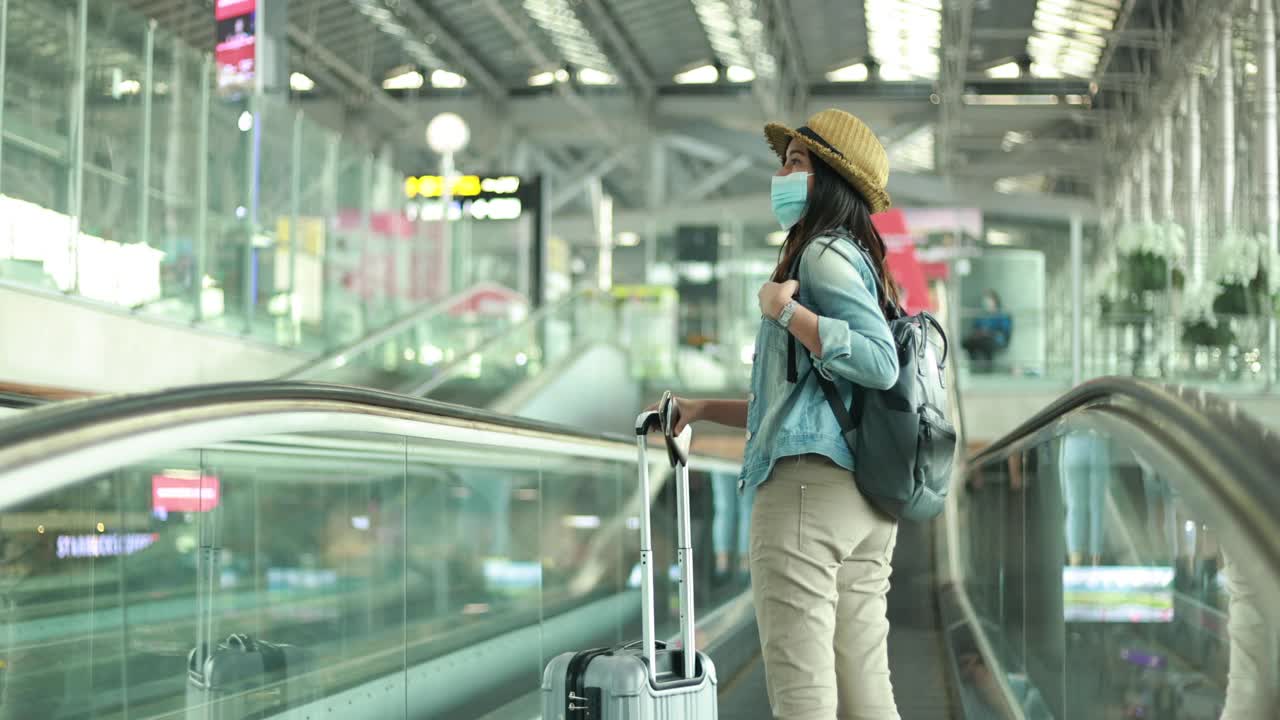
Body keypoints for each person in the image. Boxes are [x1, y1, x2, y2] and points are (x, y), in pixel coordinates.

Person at [653, 108, 902, 719]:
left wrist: (784, 313)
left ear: (830, 182)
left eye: (796, 162)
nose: (782, 174)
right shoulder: (860, 260)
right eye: (783, 161)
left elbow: (879, 362)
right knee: (868, 694)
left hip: (805, 501)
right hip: (863, 500)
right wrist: (704, 408)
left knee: (804, 699)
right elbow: (795, 406)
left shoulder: (818, 257)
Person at [961, 290, 1011, 373]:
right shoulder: (982, 315)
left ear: (995, 301)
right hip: (981, 339)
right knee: (967, 342)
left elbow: (1004, 332)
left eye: (989, 300)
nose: (986, 303)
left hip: (995, 340)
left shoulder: (1002, 314)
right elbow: (975, 328)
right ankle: (973, 368)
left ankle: (989, 370)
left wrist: (989, 332)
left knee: (988, 344)